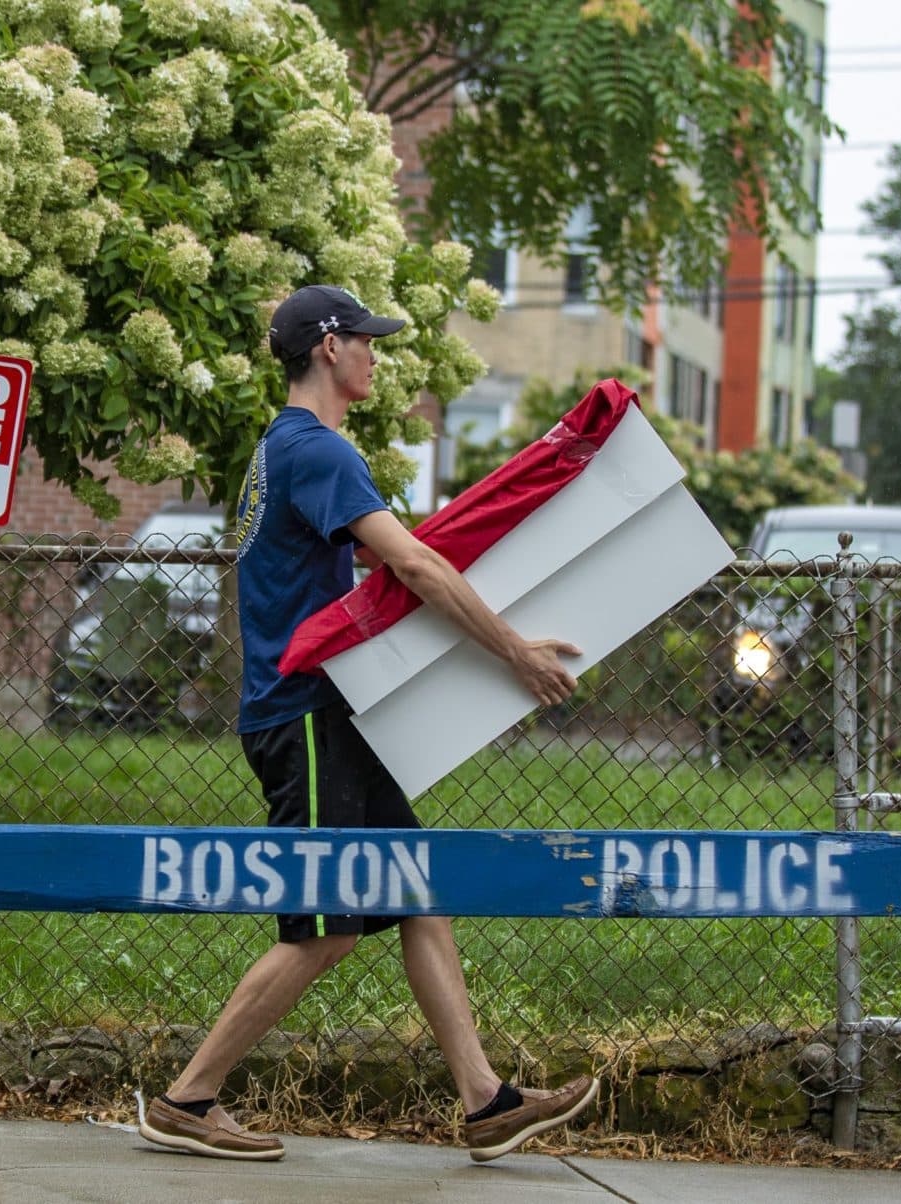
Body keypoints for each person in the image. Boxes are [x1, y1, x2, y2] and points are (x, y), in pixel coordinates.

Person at [141, 285, 598, 1163]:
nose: (376, 355)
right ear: (326, 349)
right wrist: (514, 653)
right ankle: (188, 1098)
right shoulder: (317, 452)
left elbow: (389, 583)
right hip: (302, 716)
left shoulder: (287, 450)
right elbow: (417, 566)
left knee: (419, 887)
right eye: (366, 340)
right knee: (328, 930)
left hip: (326, 714)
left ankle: (486, 1101)